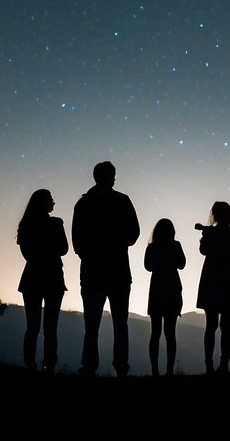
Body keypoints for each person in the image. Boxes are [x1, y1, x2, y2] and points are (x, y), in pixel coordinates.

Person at [71, 160, 141, 377]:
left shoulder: (83, 204)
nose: (114, 178)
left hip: (92, 271)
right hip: (118, 269)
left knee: (91, 325)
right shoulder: (122, 200)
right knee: (121, 324)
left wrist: (89, 253)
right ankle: (121, 367)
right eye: (113, 174)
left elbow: (76, 241)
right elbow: (134, 233)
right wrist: (120, 243)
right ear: (108, 176)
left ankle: (89, 365)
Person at [16, 188, 68, 373]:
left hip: (32, 277)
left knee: (32, 327)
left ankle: (30, 364)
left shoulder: (26, 224)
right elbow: (63, 249)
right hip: (53, 277)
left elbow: (27, 253)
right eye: (51, 200)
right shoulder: (55, 223)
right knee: (50, 328)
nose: (53, 202)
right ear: (43, 202)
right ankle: (49, 365)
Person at [195, 200, 230, 373]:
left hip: (212, 279)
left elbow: (203, 251)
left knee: (211, 326)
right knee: (226, 326)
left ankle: (209, 363)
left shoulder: (211, 232)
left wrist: (207, 236)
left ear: (215, 215)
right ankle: (223, 364)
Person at [144, 217, 186, 377]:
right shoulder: (175, 246)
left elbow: (148, 266)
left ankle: (155, 369)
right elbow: (182, 264)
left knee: (155, 332)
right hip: (173, 289)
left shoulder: (152, 247)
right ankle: (169, 370)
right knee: (170, 333)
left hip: (156, 289)